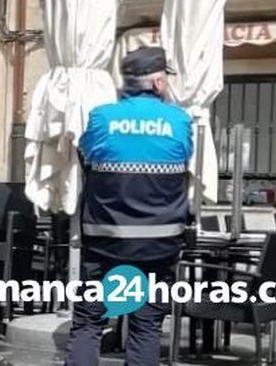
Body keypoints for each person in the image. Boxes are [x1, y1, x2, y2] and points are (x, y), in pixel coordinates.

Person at [64, 46, 194, 366]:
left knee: (88, 324)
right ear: (159, 83)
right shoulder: (179, 120)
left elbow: (86, 158)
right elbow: (184, 156)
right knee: (146, 327)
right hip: (158, 246)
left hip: (105, 243)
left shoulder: (101, 117)